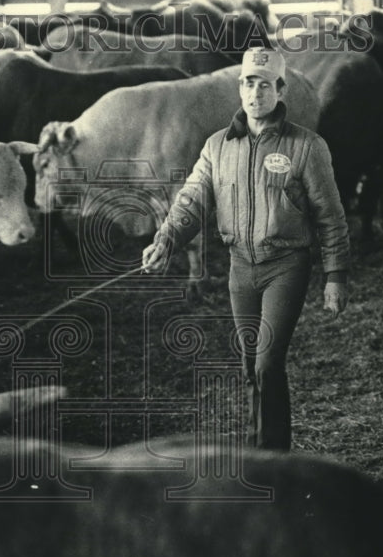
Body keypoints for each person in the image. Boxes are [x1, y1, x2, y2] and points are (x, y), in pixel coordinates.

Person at [141, 47, 350, 451]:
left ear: (281, 89)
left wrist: (335, 276)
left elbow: (330, 214)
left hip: (286, 264)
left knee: (268, 364)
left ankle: (272, 455)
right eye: (249, 84)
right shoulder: (217, 146)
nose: (256, 94)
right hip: (241, 266)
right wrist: (166, 238)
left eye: (266, 85)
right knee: (250, 365)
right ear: (240, 89)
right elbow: (192, 198)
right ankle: (262, 448)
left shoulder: (306, 147)